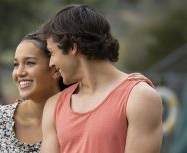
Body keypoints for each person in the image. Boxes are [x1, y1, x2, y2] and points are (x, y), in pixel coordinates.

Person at [0, 30, 154, 152]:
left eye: (30, 63)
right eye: (16, 64)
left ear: (55, 66)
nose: (19, 73)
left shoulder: (79, 122)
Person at [40, 4, 162, 153]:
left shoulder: (139, 97)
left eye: (52, 53)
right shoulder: (54, 106)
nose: (51, 63)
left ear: (72, 47)